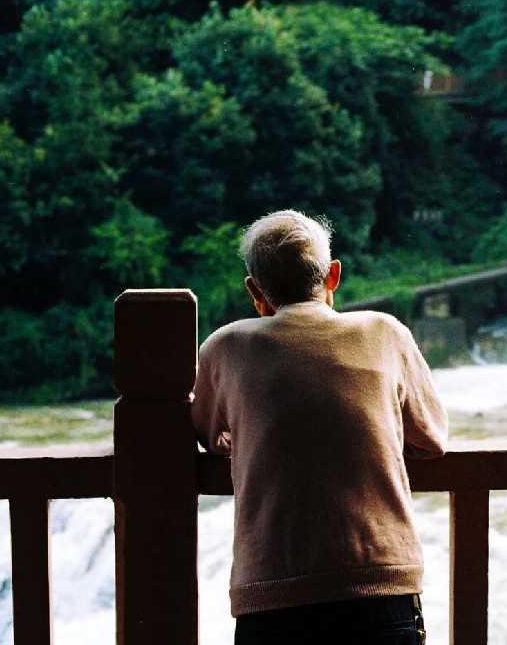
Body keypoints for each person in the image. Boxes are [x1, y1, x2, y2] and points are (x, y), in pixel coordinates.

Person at [192, 209, 448, 644]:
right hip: (380, 589)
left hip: (271, 599)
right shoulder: (385, 333)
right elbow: (432, 438)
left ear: (256, 291)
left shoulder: (227, 347)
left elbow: (207, 438)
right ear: (333, 276)